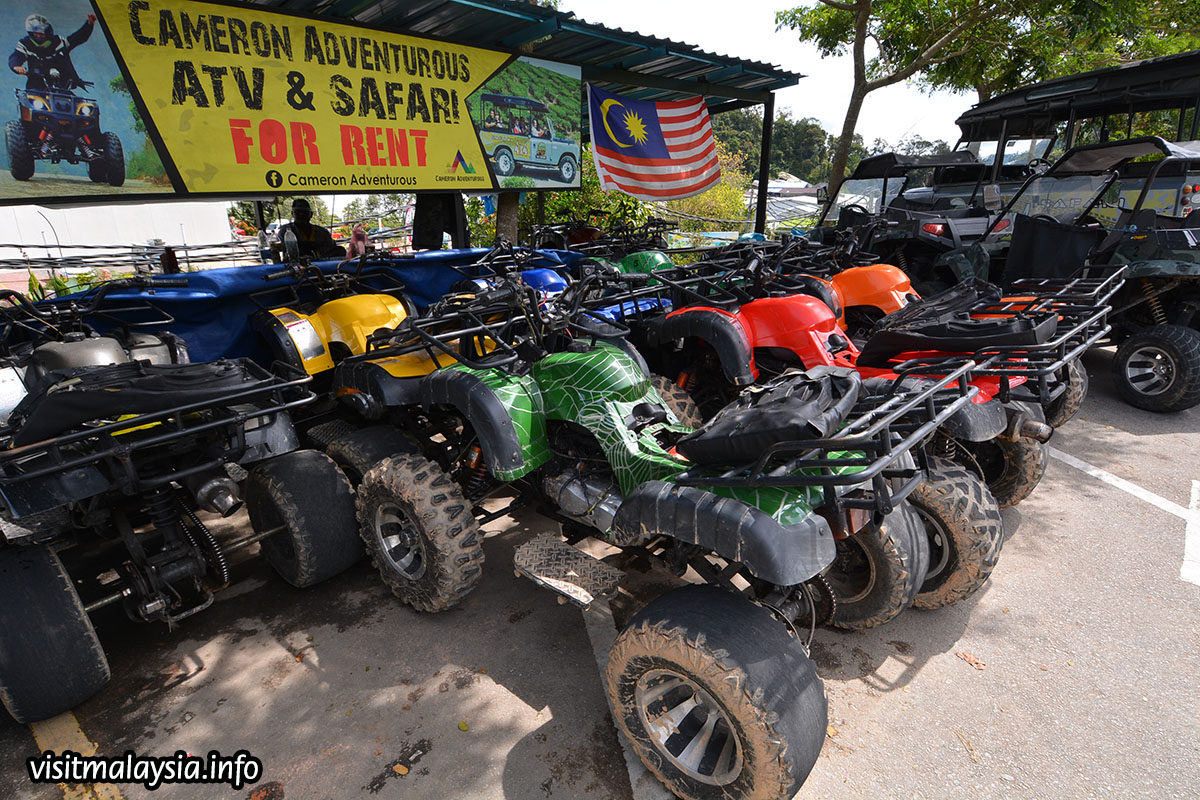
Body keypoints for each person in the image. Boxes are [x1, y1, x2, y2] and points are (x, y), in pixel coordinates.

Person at [9, 13, 96, 91]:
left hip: (62, 85)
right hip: (37, 84)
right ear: (31, 33)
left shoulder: (58, 42)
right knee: (26, 99)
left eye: (41, 33)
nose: (38, 36)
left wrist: (88, 25)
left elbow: (77, 38)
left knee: (80, 105)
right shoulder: (25, 44)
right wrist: (16, 66)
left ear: (48, 32)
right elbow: (17, 56)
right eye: (36, 33)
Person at [273, 198, 346, 261]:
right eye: (298, 212)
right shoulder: (285, 231)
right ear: (292, 214)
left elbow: (332, 249)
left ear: (311, 214)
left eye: (304, 212)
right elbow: (280, 250)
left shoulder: (322, 232)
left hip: (321, 265)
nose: (301, 215)